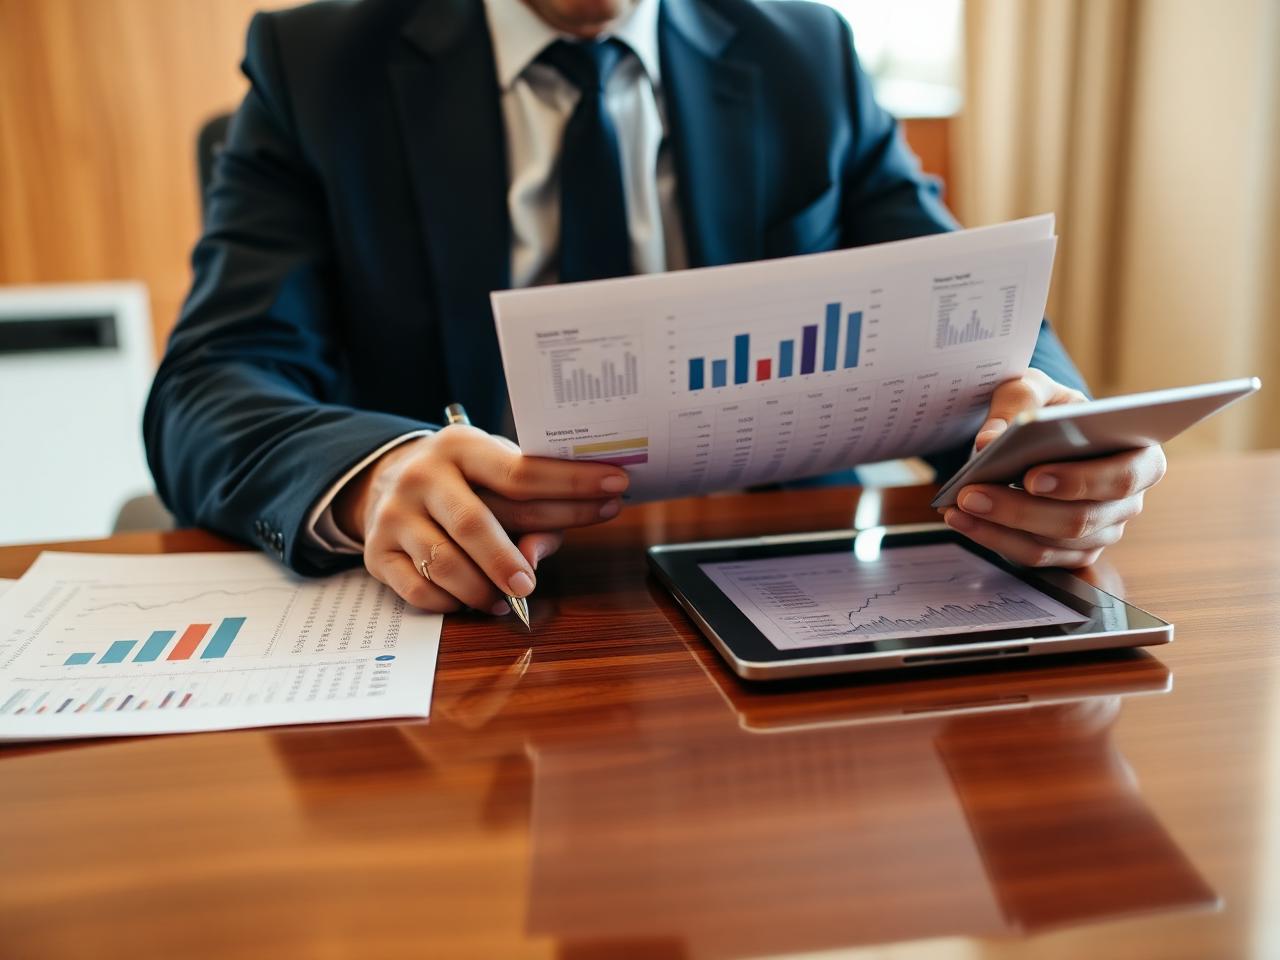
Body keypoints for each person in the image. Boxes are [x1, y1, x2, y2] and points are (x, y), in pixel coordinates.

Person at [144, 0, 1165, 615]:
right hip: (484, 616)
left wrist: (1051, 442)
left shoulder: (797, 52)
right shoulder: (318, 66)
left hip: (790, 590)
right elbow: (207, 385)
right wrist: (374, 477)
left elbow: (970, 316)